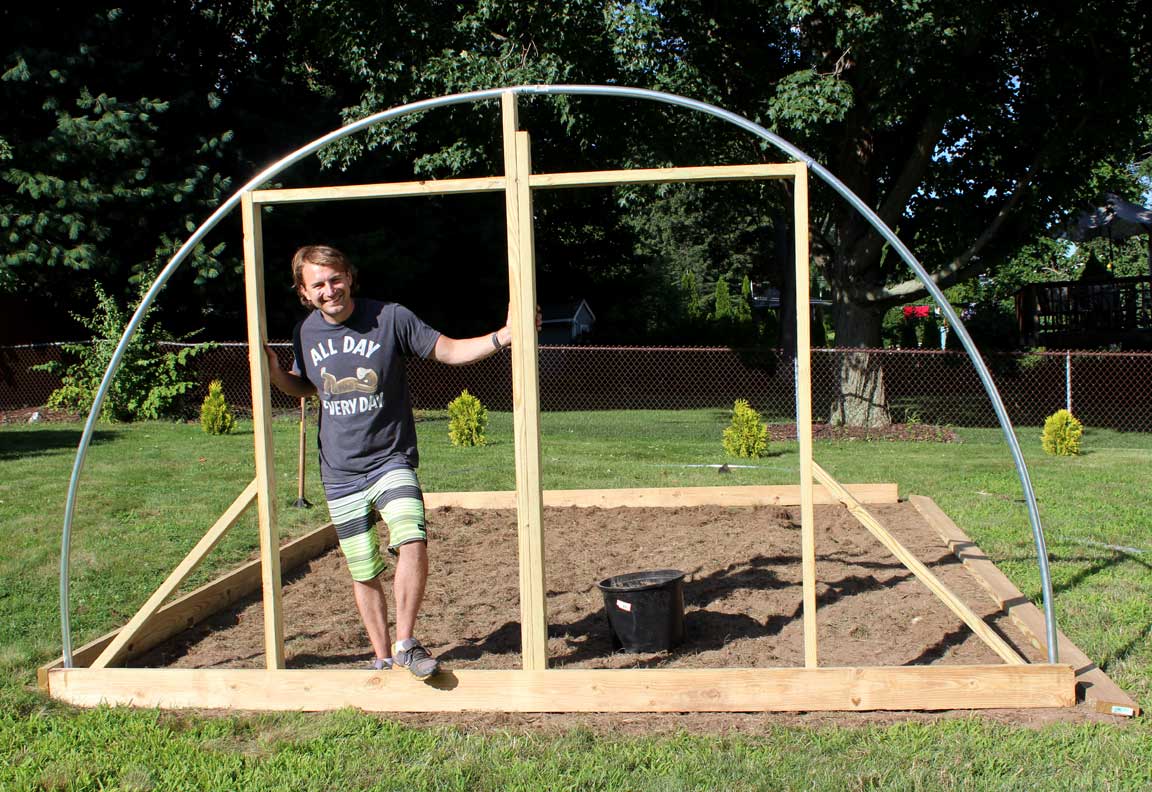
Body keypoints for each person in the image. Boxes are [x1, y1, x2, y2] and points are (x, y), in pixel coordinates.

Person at [265, 244, 526, 678]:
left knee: (411, 537)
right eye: (319, 285)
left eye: (335, 279)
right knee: (363, 566)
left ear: (349, 276)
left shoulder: (390, 317)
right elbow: (306, 388)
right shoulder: (305, 332)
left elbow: (448, 350)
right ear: (305, 292)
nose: (330, 290)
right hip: (340, 469)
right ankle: (382, 654)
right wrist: (275, 372)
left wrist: (504, 335)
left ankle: (406, 642)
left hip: (390, 457)